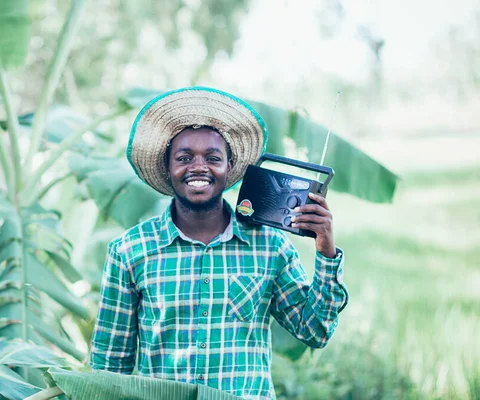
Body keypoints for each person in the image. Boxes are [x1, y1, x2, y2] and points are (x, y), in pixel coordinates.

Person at [90, 86, 348, 400]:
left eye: (213, 158)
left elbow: (315, 331)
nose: (198, 167)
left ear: (229, 169)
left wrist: (326, 252)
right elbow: (109, 364)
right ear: (168, 168)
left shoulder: (270, 247)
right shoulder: (130, 251)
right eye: (184, 158)